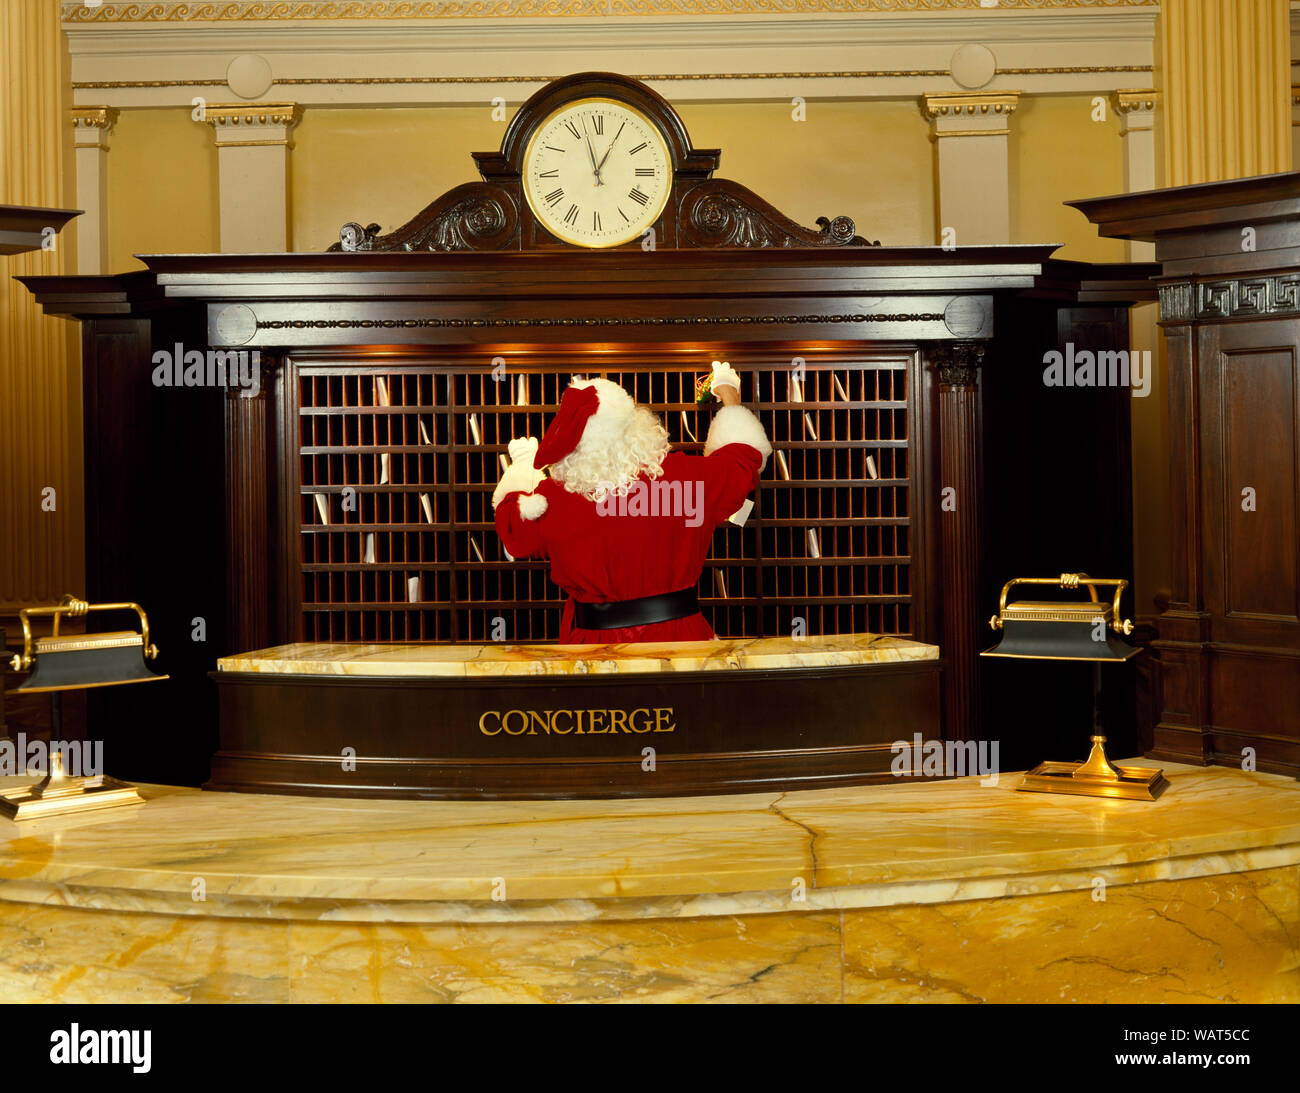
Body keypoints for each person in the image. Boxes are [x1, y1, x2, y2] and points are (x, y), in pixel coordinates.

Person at [492, 361, 771, 643]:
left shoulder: (553, 498)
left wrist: (524, 469)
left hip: (591, 652)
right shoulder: (687, 479)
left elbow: (515, 533)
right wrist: (728, 393)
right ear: (637, 426)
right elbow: (742, 459)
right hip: (680, 644)